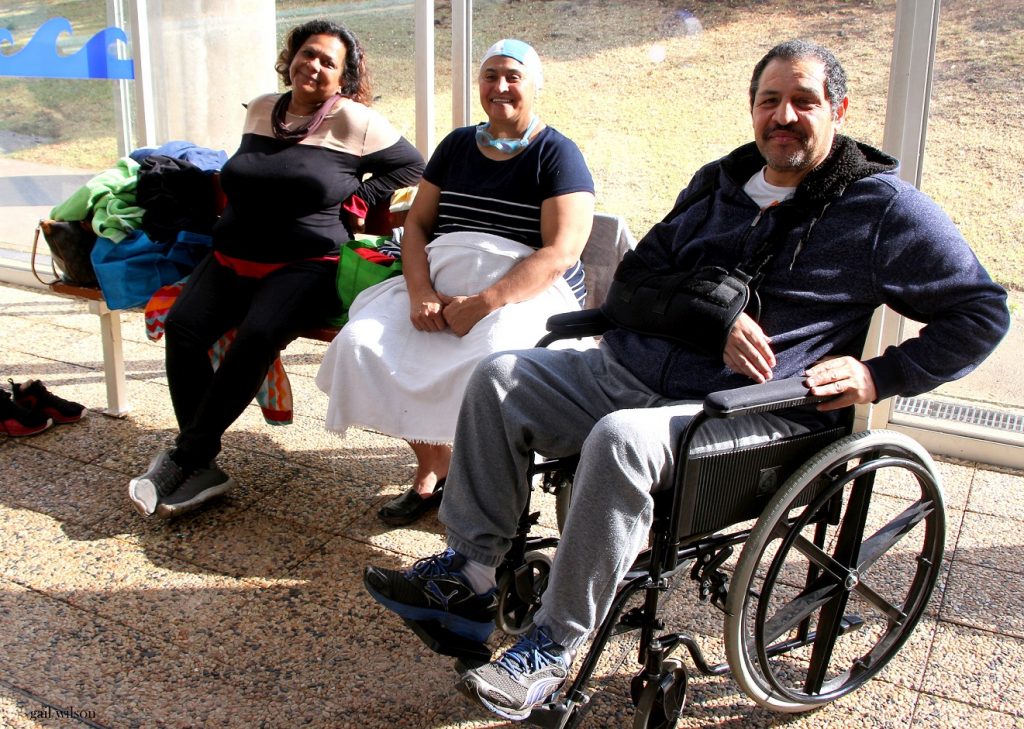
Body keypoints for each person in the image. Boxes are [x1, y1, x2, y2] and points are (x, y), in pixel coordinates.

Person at [361, 39, 1010, 721]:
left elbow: (981, 310)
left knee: (621, 440)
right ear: (752, 108)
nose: (783, 115)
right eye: (769, 100)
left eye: (803, 101)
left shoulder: (882, 210)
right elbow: (634, 282)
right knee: (498, 377)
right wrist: (712, 317)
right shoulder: (719, 182)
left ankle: (552, 646)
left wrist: (879, 374)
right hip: (629, 371)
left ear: (839, 110)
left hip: (743, 411)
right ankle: (470, 575)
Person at [128, 19, 425, 519]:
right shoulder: (263, 108)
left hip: (306, 263)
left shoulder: (356, 121)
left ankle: (188, 457)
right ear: (291, 57)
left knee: (257, 335)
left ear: (344, 77)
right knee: (183, 327)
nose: (314, 66)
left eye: (328, 62)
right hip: (230, 256)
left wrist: (359, 197)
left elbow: (414, 165)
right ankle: (199, 460)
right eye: (308, 54)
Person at [315, 39, 595, 527]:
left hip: (520, 294)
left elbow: (560, 252)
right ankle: (434, 464)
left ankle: (484, 487)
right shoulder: (457, 145)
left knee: (494, 365)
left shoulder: (558, 154)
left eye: (513, 76)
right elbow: (418, 226)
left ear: (535, 85)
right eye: (490, 76)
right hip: (439, 283)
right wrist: (420, 292)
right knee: (361, 343)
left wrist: (484, 302)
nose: (500, 86)